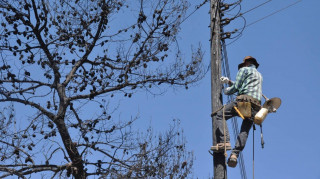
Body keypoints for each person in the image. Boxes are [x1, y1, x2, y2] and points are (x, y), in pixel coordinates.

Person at [211, 56, 263, 168]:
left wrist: (226, 90)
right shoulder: (259, 75)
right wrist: (229, 81)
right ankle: (234, 155)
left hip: (244, 101)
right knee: (244, 130)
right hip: (256, 107)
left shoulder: (243, 70)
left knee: (220, 115)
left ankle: (224, 140)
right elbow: (244, 87)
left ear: (247, 63)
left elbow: (237, 88)